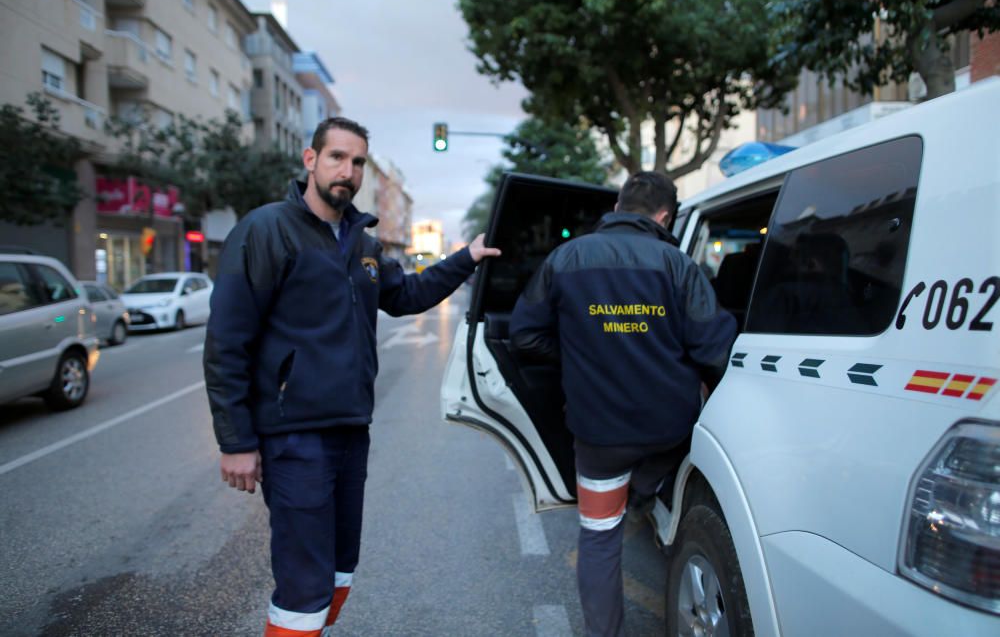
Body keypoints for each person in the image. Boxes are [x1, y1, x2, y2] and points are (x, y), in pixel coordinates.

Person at [203, 116, 500, 637]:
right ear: (310, 160)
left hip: (349, 431)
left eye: (358, 161)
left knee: (340, 571)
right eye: (337, 157)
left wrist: (467, 259)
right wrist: (235, 440)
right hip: (294, 435)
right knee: (303, 585)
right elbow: (227, 342)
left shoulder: (361, 243)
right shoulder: (267, 229)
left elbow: (405, 295)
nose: (349, 170)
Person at [509, 171, 736, 637]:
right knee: (674, 503)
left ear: (617, 205)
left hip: (599, 435)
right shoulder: (678, 265)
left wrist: (580, 349)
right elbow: (716, 351)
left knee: (598, 539)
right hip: (669, 433)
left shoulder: (565, 258)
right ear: (665, 216)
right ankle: (652, 501)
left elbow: (523, 336)